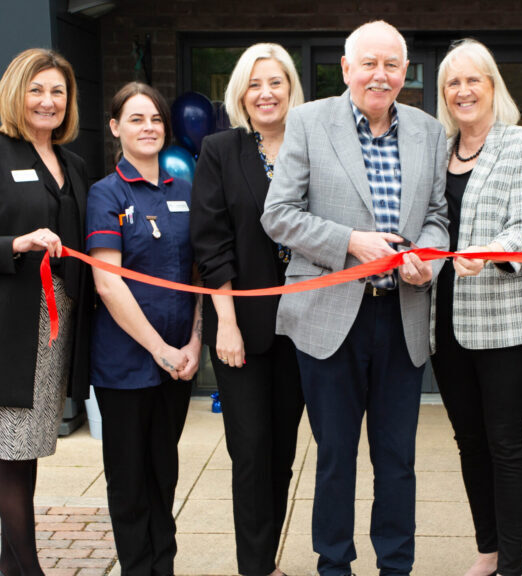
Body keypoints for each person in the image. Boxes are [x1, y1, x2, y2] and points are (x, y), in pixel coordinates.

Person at [261, 20, 449, 576]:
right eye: (368, 63)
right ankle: (334, 565)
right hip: (328, 317)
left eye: (392, 65)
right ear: (346, 69)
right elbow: (278, 214)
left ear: (404, 72)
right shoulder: (308, 121)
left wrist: (430, 261)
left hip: (401, 316)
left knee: (398, 460)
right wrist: (350, 243)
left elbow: (438, 217)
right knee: (335, 457)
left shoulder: (428, 131)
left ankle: (396, 565)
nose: (380, 75)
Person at [0, 48, 92, 576]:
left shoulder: (73, 164)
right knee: (12, 449)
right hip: (10, 330)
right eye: (37, 89)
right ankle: (27, 568)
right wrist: (17, 243)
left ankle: (10, 568)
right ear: (15, 93)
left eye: (57, 91)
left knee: (29, 450)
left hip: (58, 324)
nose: (48, 101)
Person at [429, 39, 522, 576]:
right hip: (445, 320)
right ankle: (488, 548)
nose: (463, 90)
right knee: (469, 442)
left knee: (505, 442)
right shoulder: (438, 151)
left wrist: (491, 252)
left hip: (504, 320)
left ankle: (512, 564)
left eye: (472, 79)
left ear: (493, 85)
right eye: (452, 83)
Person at [191, 43, 306, 576]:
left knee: (283, 454)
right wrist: (228, 323)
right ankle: (253, 567)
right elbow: (211, 243)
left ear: (291, 89)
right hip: (241, 327)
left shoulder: (313, 145)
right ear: (241, 92)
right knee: (250, 451)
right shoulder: (220, 149)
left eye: (276, 82)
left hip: (305, 328)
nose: (266, 93)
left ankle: (266, 560)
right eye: (255, 84)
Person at [85, 82, 202, 576]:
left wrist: (194, 342)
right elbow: (109, 285)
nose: (149, 127)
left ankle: (164, 566)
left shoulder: (186, 192)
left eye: (155, 118)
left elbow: (199, 276)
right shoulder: (106, 193)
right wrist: (161, 350)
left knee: (165, 472)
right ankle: (137, 568)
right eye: (136, 119)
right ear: (116, 128)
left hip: (178, 362)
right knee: (130, 480)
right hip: (128, 365)